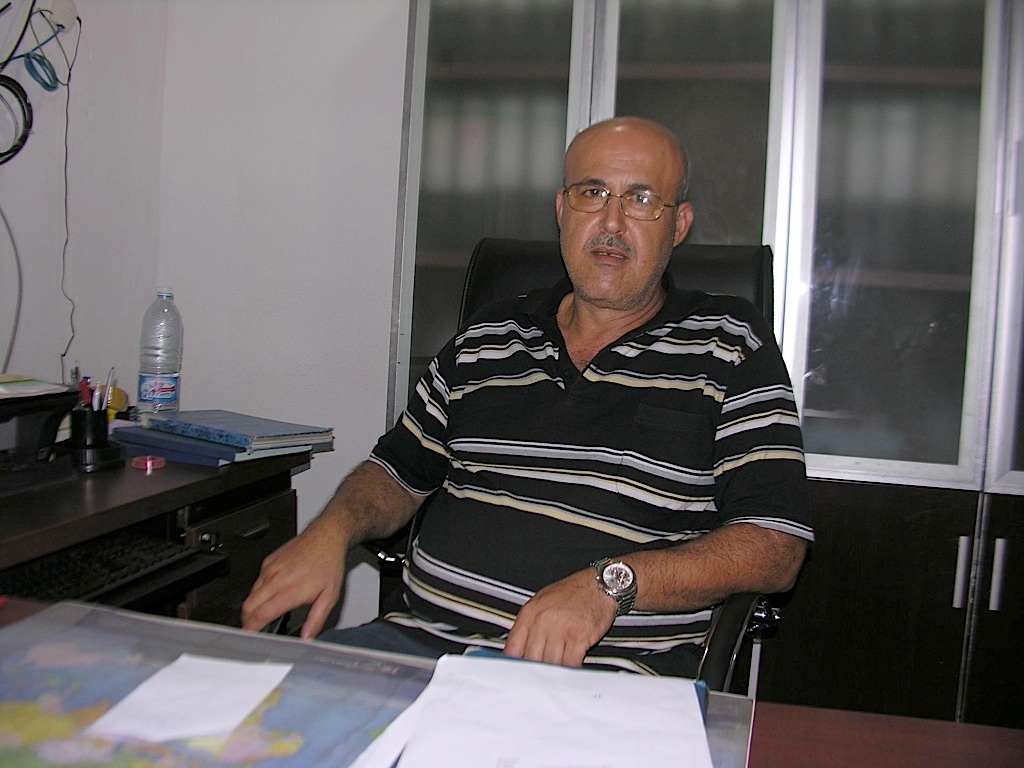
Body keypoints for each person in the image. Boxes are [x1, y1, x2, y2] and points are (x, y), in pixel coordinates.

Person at [242, 116, 813, 676]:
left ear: (678, 224)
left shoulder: (728, 345)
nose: (612, 221)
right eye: (593, 192)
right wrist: (331, 530)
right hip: (415, 650)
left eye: (641, 200)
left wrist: (611, 584)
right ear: (563, 209)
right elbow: (396, 473)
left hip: (600, 679)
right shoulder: (488, 336)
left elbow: (775, 544)